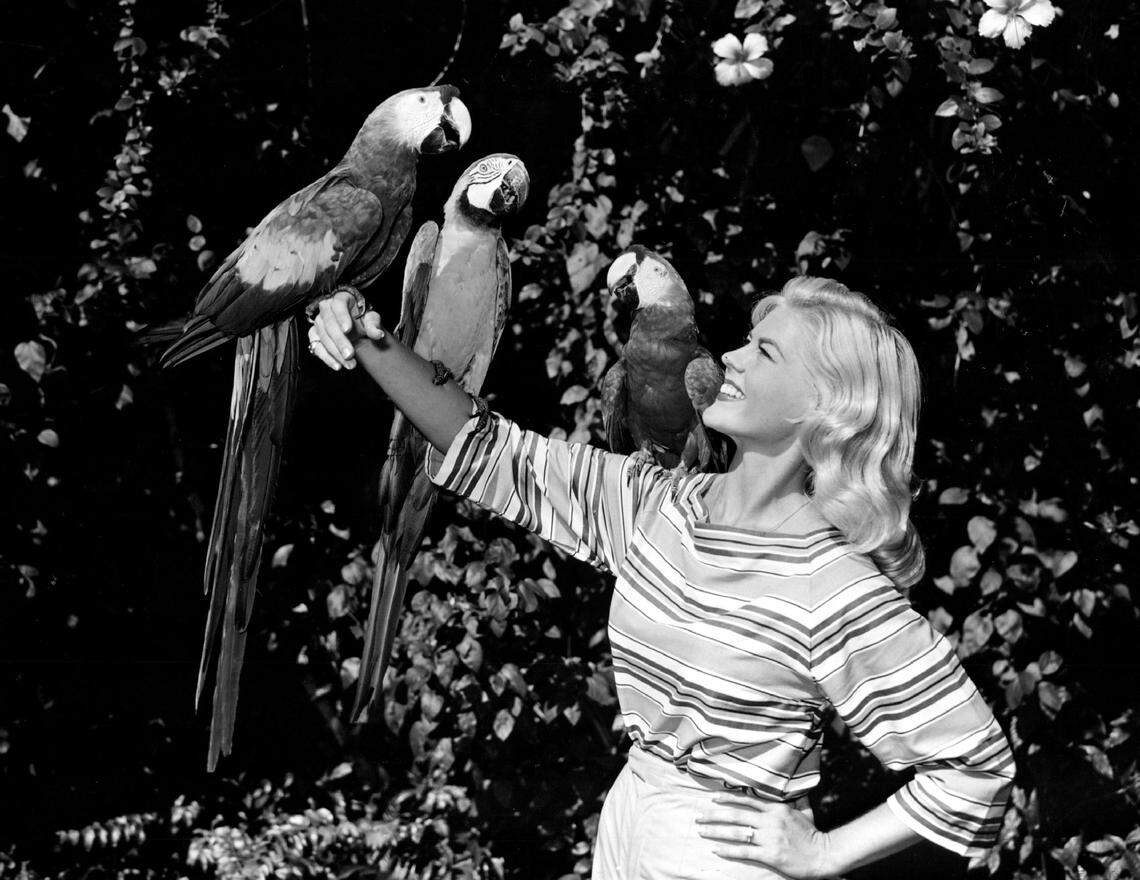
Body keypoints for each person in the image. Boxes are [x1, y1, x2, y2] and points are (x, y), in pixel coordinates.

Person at [307, 276, 1015, 880]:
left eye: (764, 351)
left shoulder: (834, 586)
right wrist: (363, 330)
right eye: (746, 341)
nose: (729, 357)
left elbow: (977, 768)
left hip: (720, 853)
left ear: (823, 406)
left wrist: (826, 852)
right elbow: (495, 452)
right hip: (628, 817)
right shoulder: (662, 505)